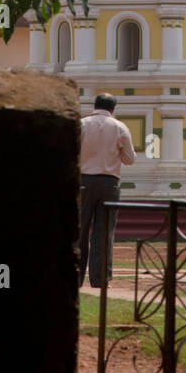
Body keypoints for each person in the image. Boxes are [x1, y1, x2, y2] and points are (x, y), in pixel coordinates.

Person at [78, 93, 135, 288]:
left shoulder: (81, 124)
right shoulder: (119, 127)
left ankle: (74, 276)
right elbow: (129, 159)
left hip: (82, 181)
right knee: (104, 232)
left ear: (95, 106)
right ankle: (100, 279)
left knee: (79, 230)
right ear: (113, 109)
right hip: (109, 183)